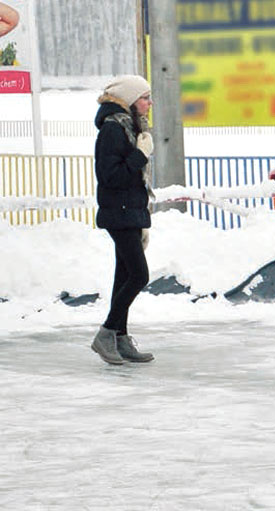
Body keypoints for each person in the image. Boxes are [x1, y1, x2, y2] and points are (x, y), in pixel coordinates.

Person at [90, 75, 155, 365]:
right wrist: (140, 155)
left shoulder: (130, 127)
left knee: (124, 275)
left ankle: (120, 337)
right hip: (119, 212)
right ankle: (106, 333)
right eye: (144, 98)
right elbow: (110, 177)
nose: (149, 103)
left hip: (129, 212)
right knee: (139, 275)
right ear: (130, 100)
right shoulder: (113, 130)